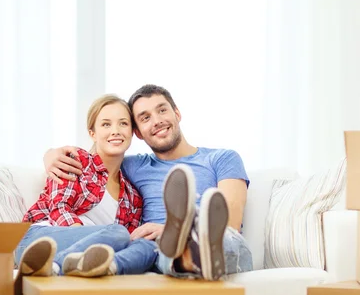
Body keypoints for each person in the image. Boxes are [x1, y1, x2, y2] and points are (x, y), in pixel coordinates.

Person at [44, 84, 253, 281]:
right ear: (137, 133)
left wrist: (170, 229)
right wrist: (51, 155)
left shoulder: (222, 158)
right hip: (163, 250)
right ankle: (188, 250)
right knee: (157, 249)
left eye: (162, 110)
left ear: (177, 113)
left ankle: (193, 229)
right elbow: (96, 158)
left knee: (218, 239)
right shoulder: (134, 166)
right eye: (145, 118)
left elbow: (231, 221)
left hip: (221, 241)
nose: (156, 121)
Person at [13, 94, 158, 295]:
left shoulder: (132, 196)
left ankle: (62, 270)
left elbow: (127, 242)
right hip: (38, 242)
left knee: (147, 246)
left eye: (123, 123)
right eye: (106, 124)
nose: (115, 131)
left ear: (132, 132)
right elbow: (59, 208)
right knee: (118, 233)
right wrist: (86, 239)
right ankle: (48, 269)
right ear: (93, 133)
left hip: (82, 252)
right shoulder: (76, 160)